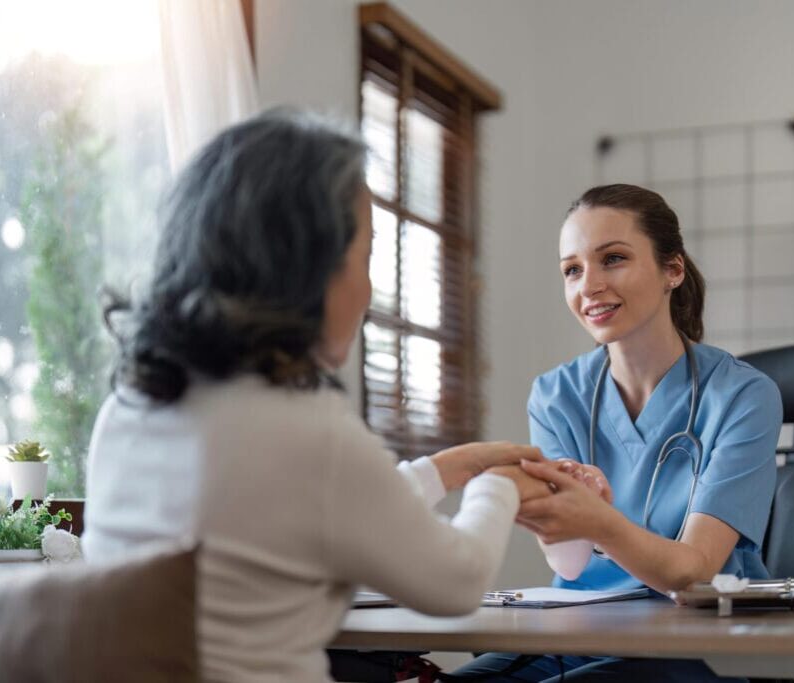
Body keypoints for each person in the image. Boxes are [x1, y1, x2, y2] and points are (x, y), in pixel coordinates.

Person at [81, 109, 551, 683]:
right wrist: (497, 487)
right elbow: (456, 582)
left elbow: (290, 511)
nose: (370, 289)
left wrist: (443, 469)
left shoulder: (128, 412)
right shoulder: (305, 431)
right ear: (306, 269)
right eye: (365, 258)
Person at [453, 184, 783, 681]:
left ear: (673, 269)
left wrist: (596, 518)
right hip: (579, 631)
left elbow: (693, 572)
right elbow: (567, 563)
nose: (589, 286)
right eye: (572, 270)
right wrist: (554, 519)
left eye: (613, 259)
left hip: (698, 643)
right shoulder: (555, 395)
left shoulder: (742, 396)